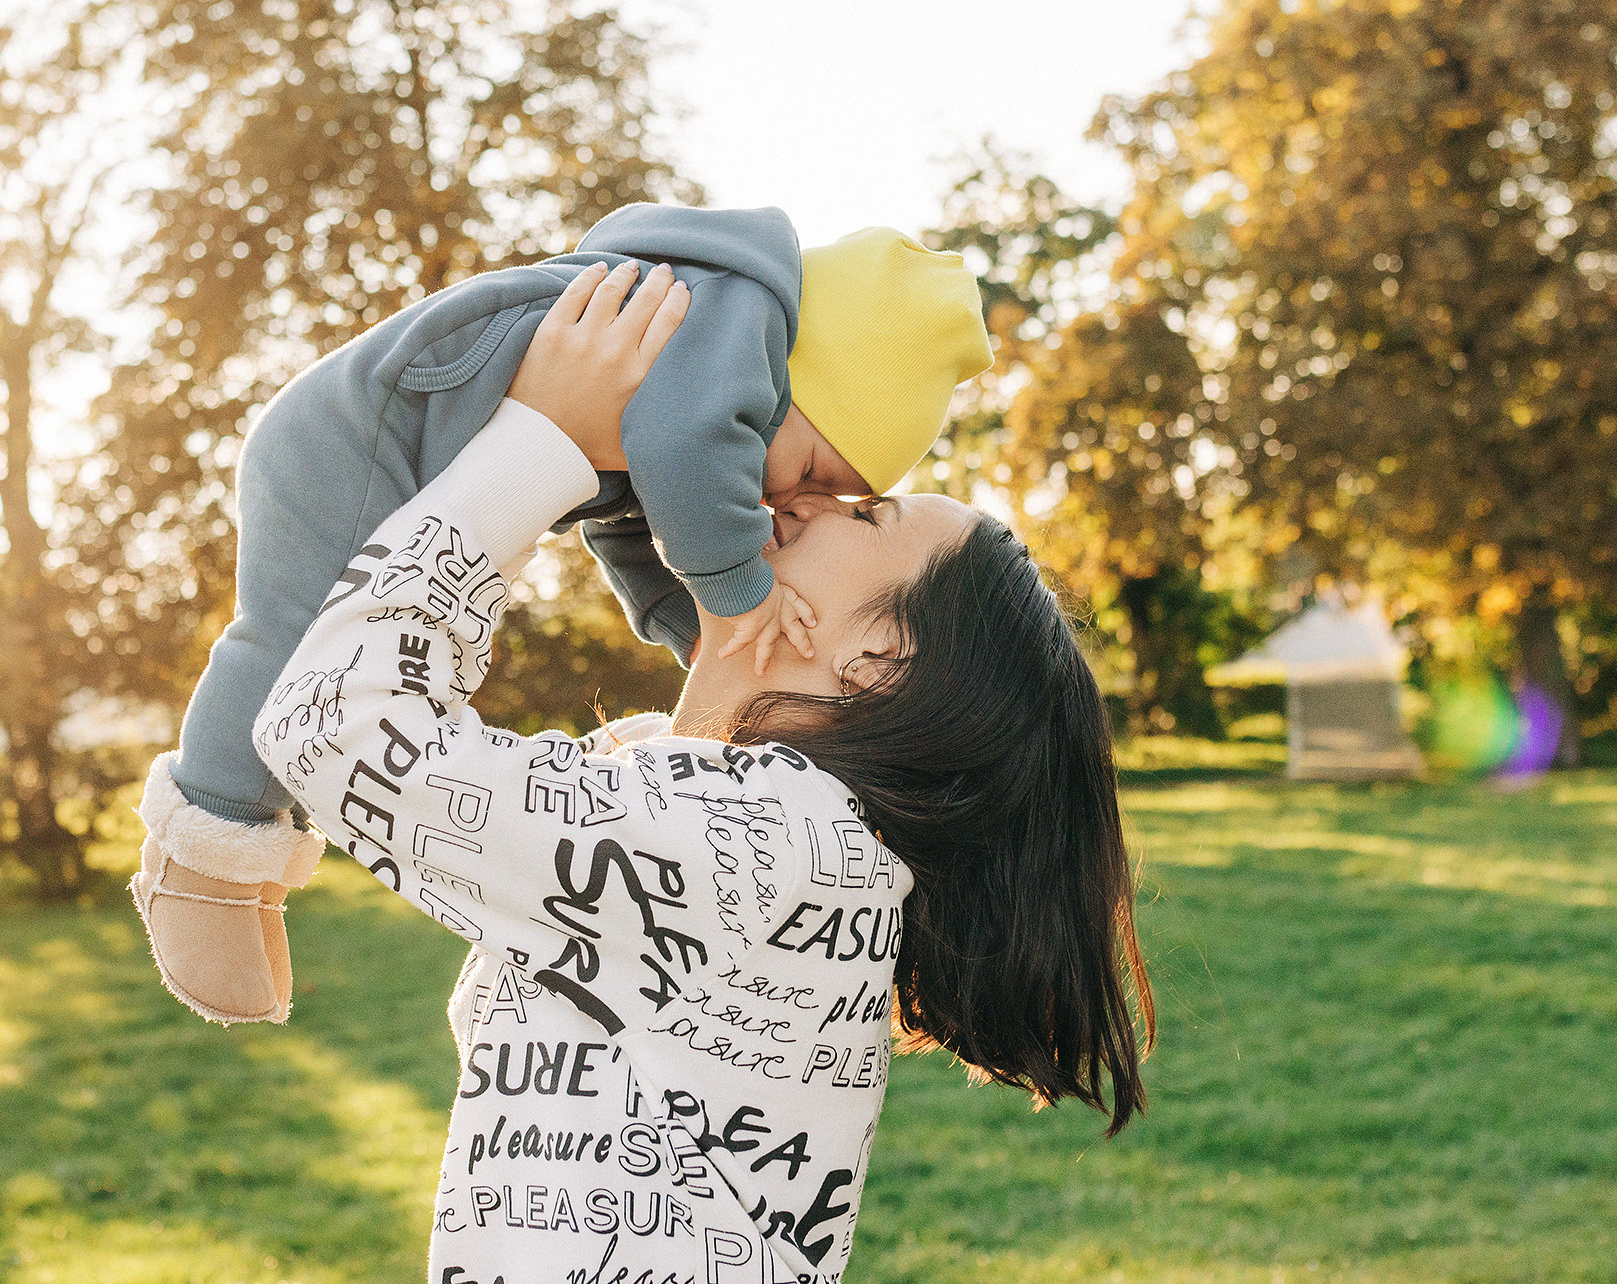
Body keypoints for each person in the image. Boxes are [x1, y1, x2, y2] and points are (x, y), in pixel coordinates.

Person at [141, 263, 1153, 1284]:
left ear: (878, 662)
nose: (794, 504)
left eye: (865, 517)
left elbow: (334, 723)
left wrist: (541, 443)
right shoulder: (776, 838)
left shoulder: (761, 846)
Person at [134, 205, 994, 1025]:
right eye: (807, 466)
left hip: (395, 453)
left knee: (303, 647)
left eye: (831, 497)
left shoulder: (691, 403)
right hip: (360, 439)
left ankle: (237, 868)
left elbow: (636, 536)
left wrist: (699, 625)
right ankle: (203, 858)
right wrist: (740, 588)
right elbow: (681, 473)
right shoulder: (726, 337)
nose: (782, 503)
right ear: (792, 376)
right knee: (285, 639)